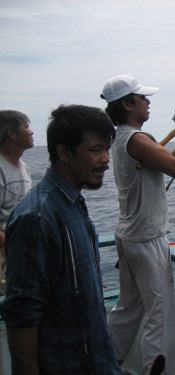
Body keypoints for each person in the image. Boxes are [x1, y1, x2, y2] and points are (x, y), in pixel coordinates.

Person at [101, 74, 175, 375]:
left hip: (129, 235)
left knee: (128, 309)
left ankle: (104, 365)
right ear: (127, 104)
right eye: (143, 98)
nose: (148, 102)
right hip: (147, 238)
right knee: (161, 318)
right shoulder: (137, 139)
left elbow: (169, 160)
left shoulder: (123, 138)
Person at [0, 105, 122, 375]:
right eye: (95, 150)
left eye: (106, 149)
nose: (105, 159)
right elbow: (22, 312)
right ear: (64, 153)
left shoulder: (71, 202)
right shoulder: (38, 217)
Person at [0, 110, 34, 295]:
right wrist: (8, 244)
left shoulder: (24, 167)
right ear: (11, 134)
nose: (31, 132)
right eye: (26, 127)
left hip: (21, 249)